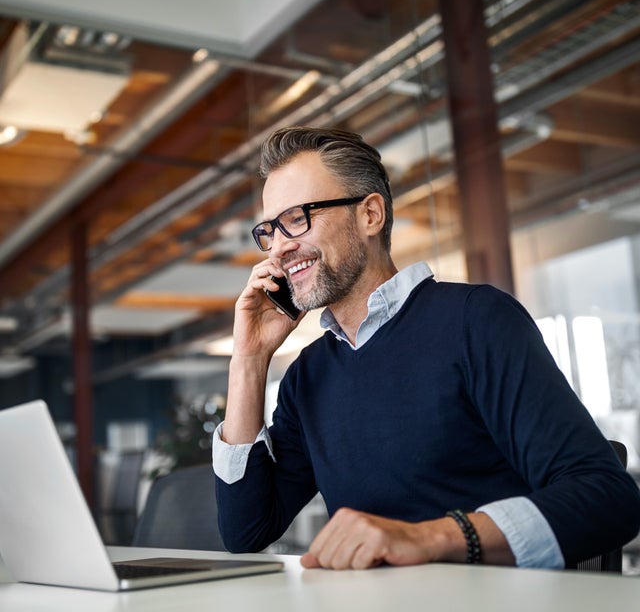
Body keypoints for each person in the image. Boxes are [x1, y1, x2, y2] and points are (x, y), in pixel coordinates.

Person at [212, 126, 640, 570]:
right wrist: (248, 359)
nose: (279, 248)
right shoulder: (308, 375)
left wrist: (430, 538)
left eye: (297, 218)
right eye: (269, 231)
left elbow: (607, 497)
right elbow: (246, 531)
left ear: (370, 215)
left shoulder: (476, 320)